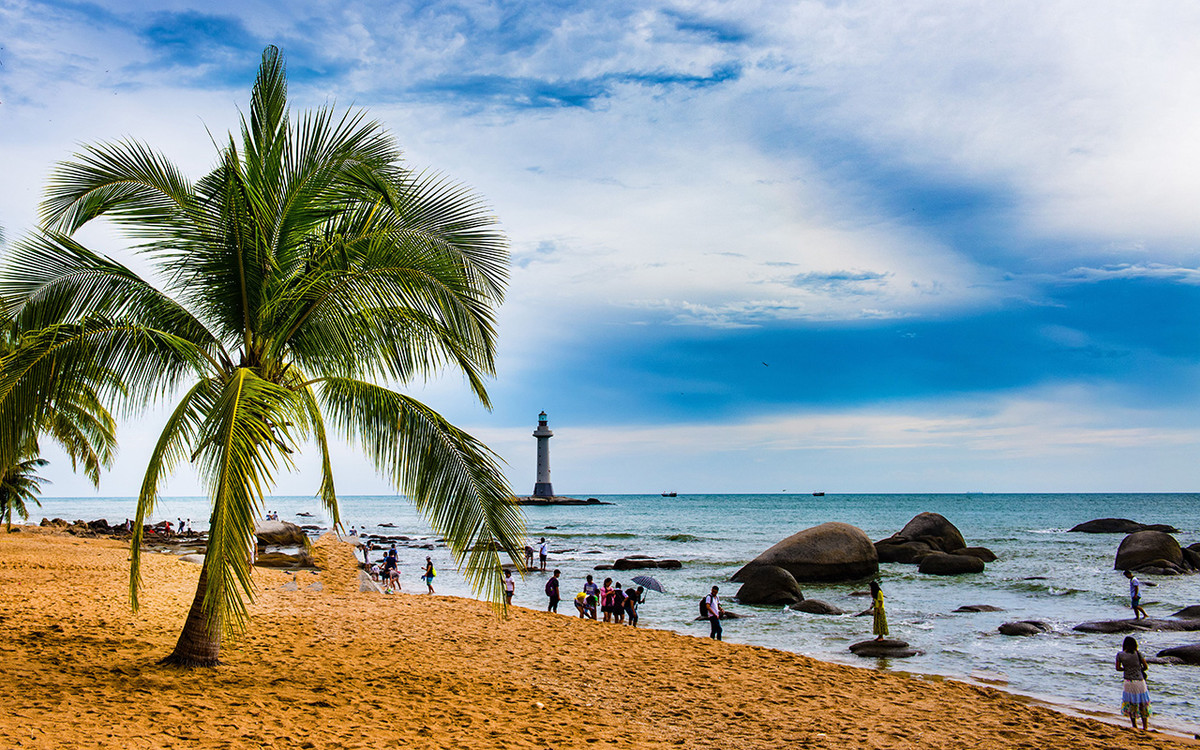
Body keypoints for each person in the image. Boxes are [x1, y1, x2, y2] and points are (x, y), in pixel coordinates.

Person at [1116, 636, 1150, 730]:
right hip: (1140, 681)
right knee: (1143, 703)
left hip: (1128, 682)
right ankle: (1145, 726)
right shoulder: (1138, 653)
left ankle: (1134, 725)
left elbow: (1118, 668)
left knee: (1131, 703)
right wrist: (1138, 669)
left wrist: (1126, 669)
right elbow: (1146, 667)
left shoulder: (1120, 655)